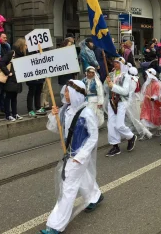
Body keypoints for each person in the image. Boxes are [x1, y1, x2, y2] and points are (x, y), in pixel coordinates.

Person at [41, 80, 103, 234]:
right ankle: (95, 196)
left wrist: (80, 156)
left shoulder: (87, 113)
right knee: (82, 177)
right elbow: (56, 129)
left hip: (79, 155)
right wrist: (54, 115)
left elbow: (93, 137)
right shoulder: (65, 110)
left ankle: (55, 226)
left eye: (68, 91)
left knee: (68, 186)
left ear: (76, 94)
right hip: (69, 152)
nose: (64, 94)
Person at [104, 57, 137, 157]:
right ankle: (115, 146)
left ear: (122, 65)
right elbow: (106, 90)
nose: (115, 64)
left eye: (117, 63)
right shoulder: (111, 74)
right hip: (112, 102)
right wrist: (106, 83)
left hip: (121, 102)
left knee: (119, 125)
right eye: (114, 63)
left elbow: (125, 91)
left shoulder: (126, 77)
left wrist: (113, 86)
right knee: (111, 125)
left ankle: (131, 137)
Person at [0, 38, 27, 121]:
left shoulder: (21, 54)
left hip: (16, 78)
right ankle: (8, 115)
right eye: (25, 45)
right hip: (11, 79)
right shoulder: (12, 53)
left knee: (14, 97)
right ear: (21, 45)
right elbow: (2, 62)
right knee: (8, 97)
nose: (26, 46)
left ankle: (15, 114)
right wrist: (8, 73)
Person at [140, 68, 161, 136]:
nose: (146, 76)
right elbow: (144, 93)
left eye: (147, 75)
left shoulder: (157, 84)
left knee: (156, 117)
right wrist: (142, 101)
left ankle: (159, 128)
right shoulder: (147, 84)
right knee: (144, 117)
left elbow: (158, 94)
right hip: (147, 104)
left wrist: (152, 98)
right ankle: (146, 132)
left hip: (154, 104)